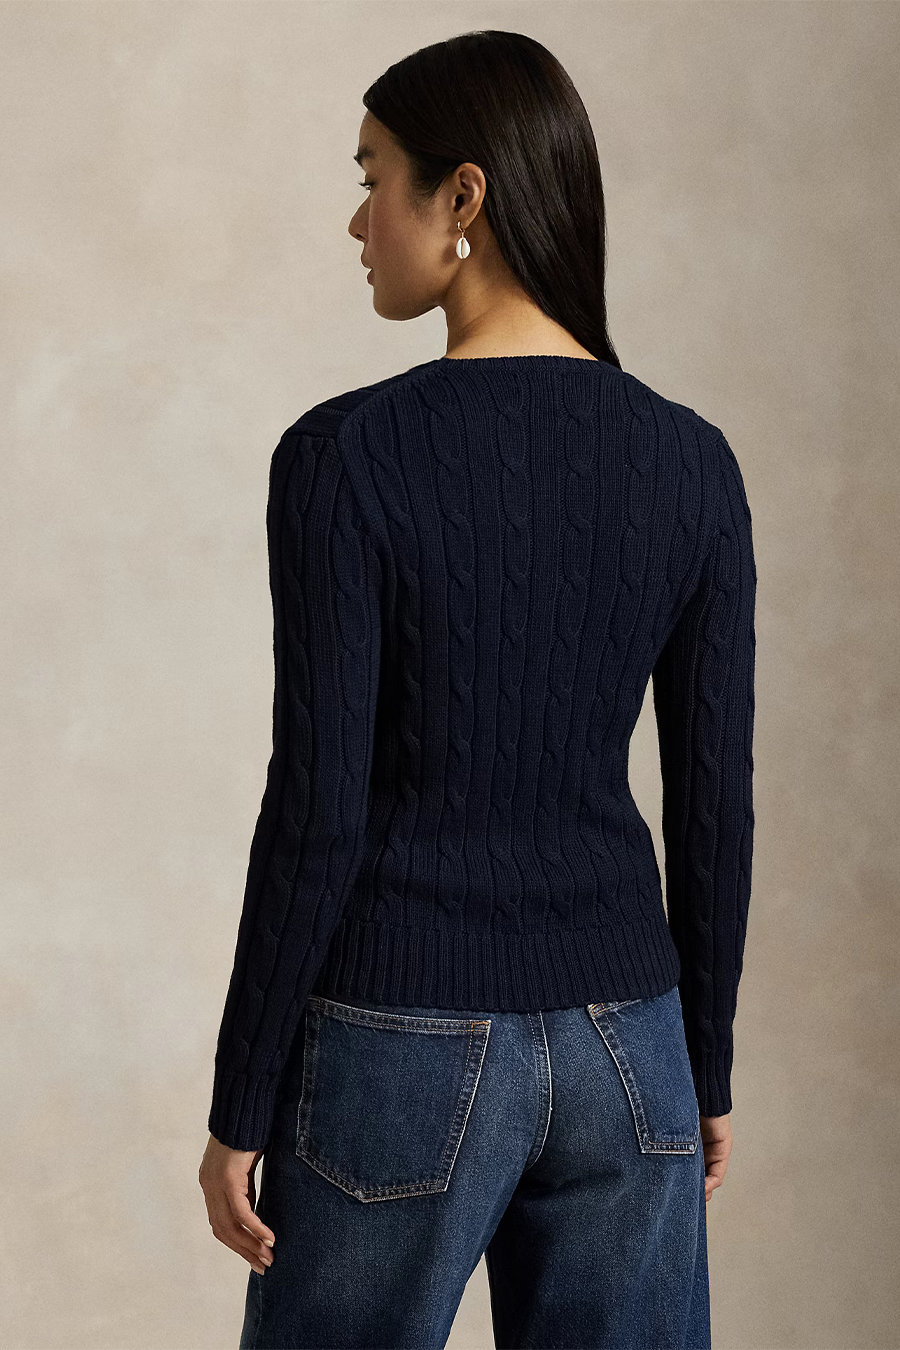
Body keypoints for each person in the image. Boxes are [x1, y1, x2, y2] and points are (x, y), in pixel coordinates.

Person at [198, 29, 756, 1350]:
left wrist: (242, 1099)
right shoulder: (694, 464)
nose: (358, 221)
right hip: (631, 1049)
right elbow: (713, 799)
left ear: (464, 195)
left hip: (400, 1037)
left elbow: (318, 806)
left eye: (372, 178)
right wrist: (707, 1065)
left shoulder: (346, 457)